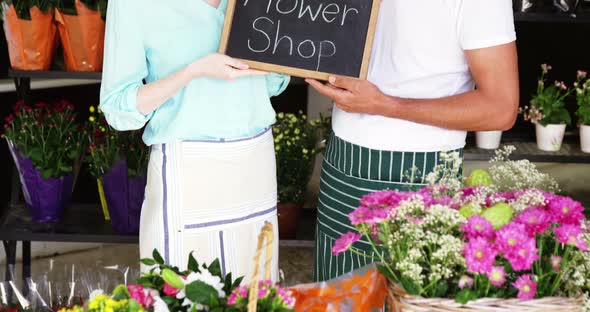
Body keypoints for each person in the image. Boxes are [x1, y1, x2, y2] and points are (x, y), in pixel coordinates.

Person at [307, 0, 519, 281]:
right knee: (334, 295)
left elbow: (500, 107)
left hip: (421, 171)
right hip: (342, 162)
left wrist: (384, 105)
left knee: (407, 295)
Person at [99, 0, 289, 281]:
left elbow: (274, 84)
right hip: (186, 172)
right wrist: (193, 72)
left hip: (254, 167)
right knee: (181, 292)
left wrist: (274, 60)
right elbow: (117, 107)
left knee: (257, 292)